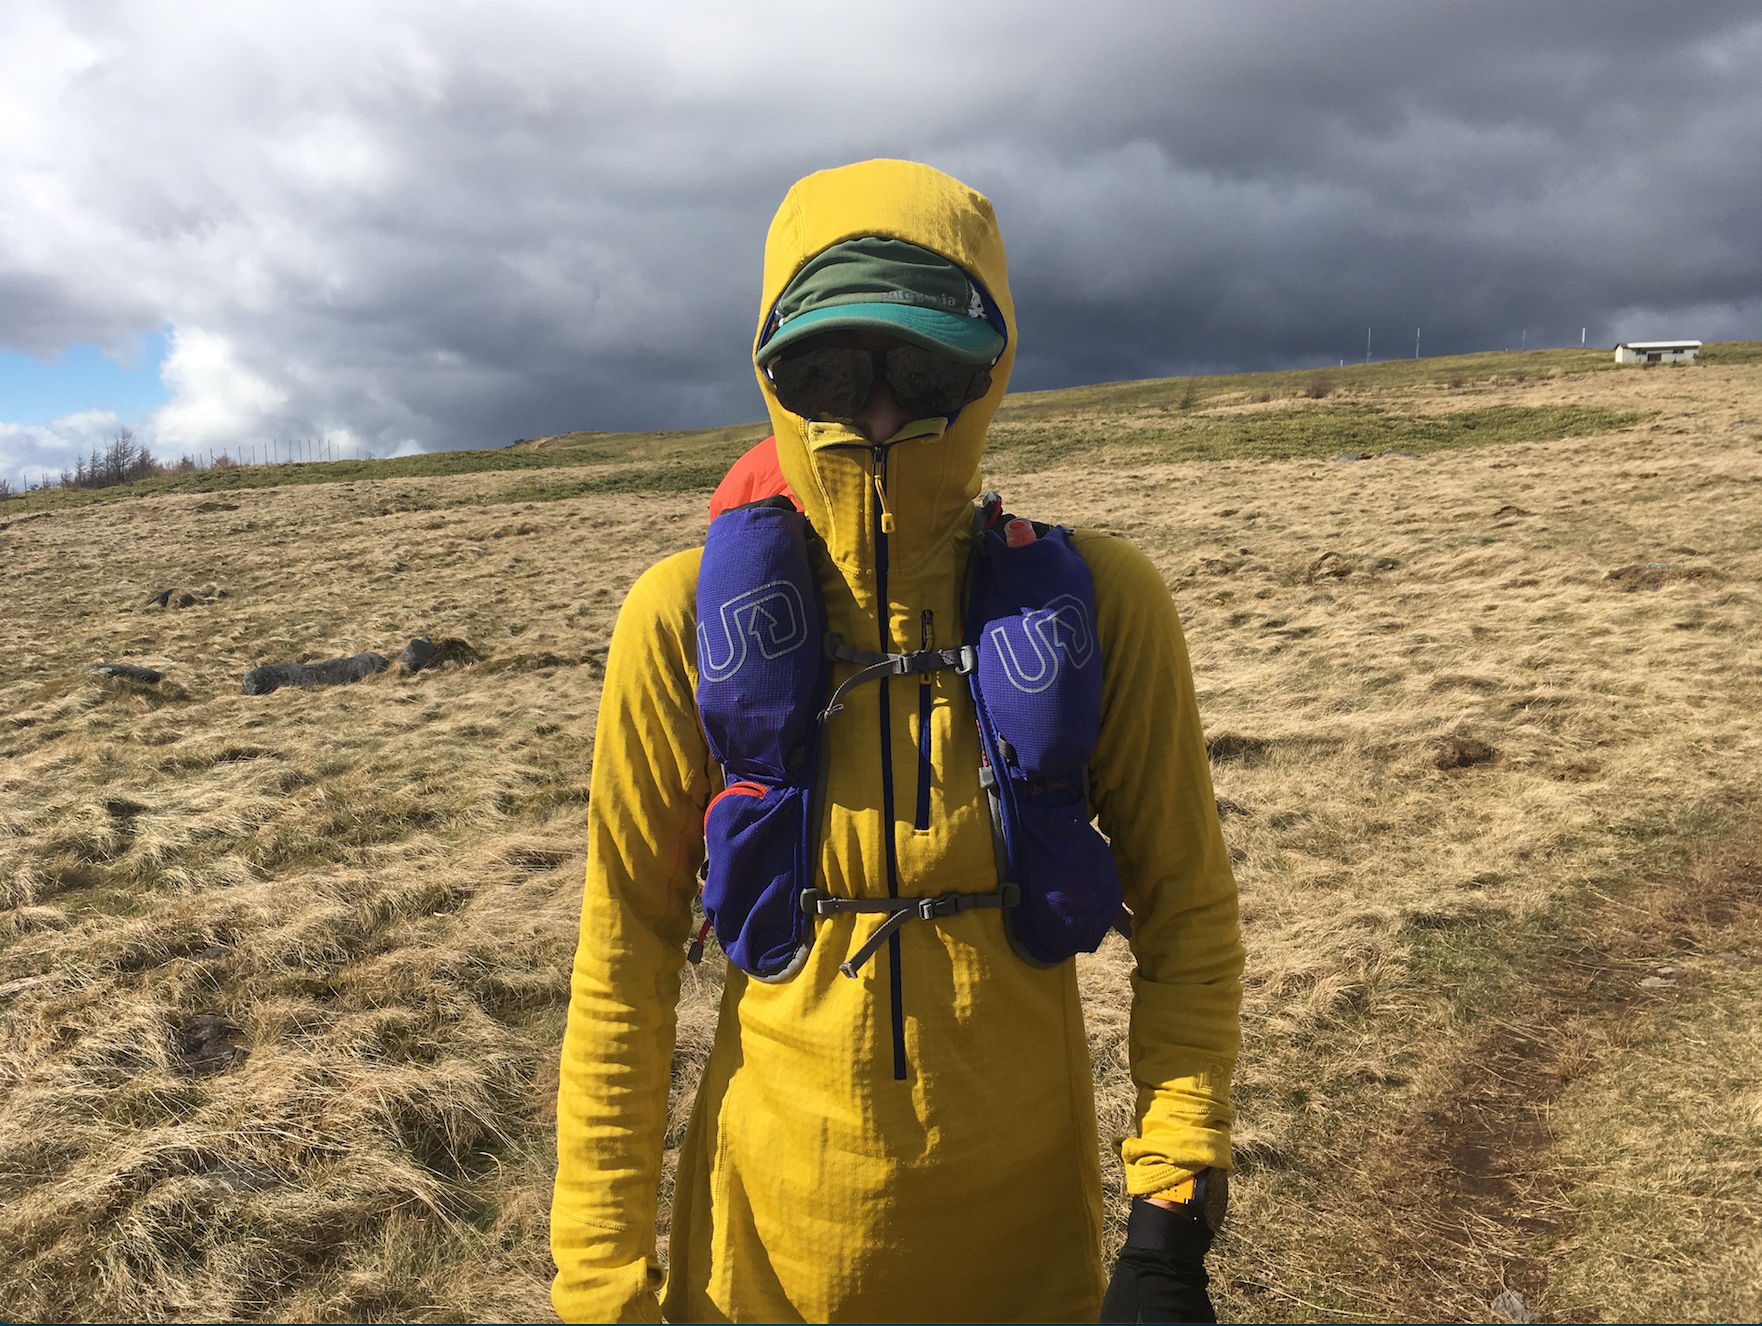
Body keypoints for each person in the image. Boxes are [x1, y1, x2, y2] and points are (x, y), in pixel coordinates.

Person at [551, 158, 1244, 1324]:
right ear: (773, 372)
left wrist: (1169, 1222)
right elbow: (622, 965)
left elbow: (1190, 915)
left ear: (991, 366)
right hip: (756, 1274)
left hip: (1032, 1269)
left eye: (924, 366)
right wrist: (599, 1292)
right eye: (829, 369)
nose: (877, 415)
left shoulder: (1106, 606)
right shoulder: (676, 621)